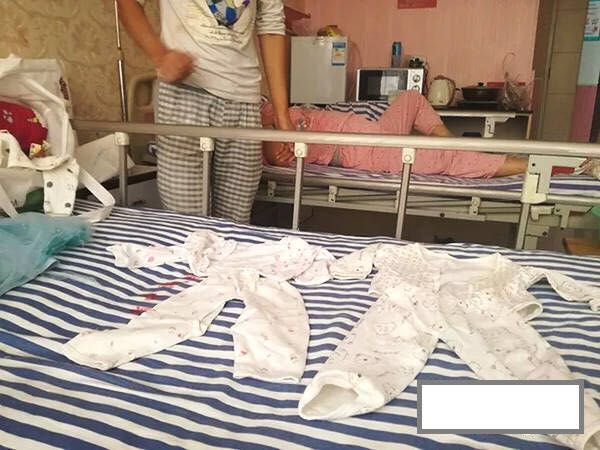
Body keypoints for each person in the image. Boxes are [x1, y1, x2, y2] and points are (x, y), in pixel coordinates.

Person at [117, 0, 294, 223]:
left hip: (244, 98)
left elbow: (271, 25)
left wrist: (281, 114)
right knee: (187, 223)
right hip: (185, 93)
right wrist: (160, 55)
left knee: (235, 223)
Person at [261, 90, 573, 179]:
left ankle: (453, 145)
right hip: (365, 151)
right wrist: (274, 140)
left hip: (374, 133)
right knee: (446, 160)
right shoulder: (258, 128)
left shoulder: (270, 106)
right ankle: (534, 166)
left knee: (411, 98)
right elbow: (275, 153)